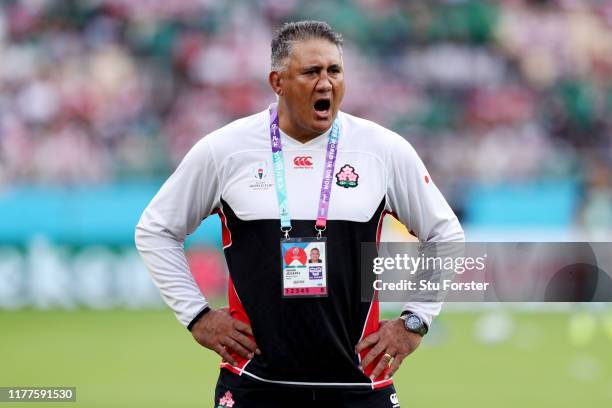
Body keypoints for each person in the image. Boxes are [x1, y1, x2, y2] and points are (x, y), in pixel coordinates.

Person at [135, 20, 463, 408]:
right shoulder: (225, 150)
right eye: (311, 72)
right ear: (277, 81)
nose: (326, 83)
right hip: (254, 382)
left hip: (358, 384)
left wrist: (415, 320)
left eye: (335, 71)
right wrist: (197, 315)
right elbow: (156, 230)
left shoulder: (383, 150)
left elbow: (445, 235)